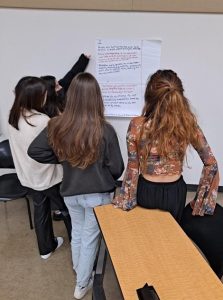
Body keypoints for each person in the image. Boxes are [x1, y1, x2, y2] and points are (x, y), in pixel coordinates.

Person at [28, 72, 124, 299]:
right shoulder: (105, 129)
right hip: (98, 195)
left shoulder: (57, 125)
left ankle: (79, 271)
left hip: (70, 192)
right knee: (89, 236)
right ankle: (82, 284)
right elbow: (117, 168)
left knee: (79, 234)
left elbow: (35, 150)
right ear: (96, 98)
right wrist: (97, 169)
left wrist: (65, 158)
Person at [113, 69, 219, 223]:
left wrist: (127, 198)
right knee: (171, 237)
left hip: (146, 191)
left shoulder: (137, 125)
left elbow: (133, 165)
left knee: (146, 236)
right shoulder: (187, 124)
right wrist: (201, 203)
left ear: (150, 96)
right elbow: (211, 163)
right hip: (175, 193)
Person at [8, 76, 64, 259]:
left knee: (40, 210)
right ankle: (78, 248)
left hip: (28, 176)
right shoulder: (42, 121)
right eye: (44, 93)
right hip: (48, 177)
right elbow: (58, 148)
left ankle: (46, 249)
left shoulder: (13, 116)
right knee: (67, 209)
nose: (46, 94)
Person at [41, 54, 89, 223]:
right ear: (49, 92)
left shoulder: (61, 88)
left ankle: (63, 208)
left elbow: (72, 74)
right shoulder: (46, 113)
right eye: (55, 85)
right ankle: (60, 210)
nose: (59, 85)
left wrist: (84, 58)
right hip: (59, 151)